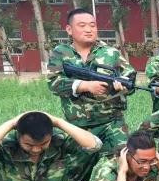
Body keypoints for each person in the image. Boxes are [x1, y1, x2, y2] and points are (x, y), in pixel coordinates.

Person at [47, 8, 135, 159]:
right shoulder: (60, 52)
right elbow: (53, 83)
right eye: (82, 25)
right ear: (69, 29)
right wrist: (85, 86)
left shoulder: (110, 52)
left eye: (92, 25)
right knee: (76, 168)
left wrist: (122, 87)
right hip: (77, 126)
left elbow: (130, 77)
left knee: (122, 161)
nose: (89, 29)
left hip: (112, 123)